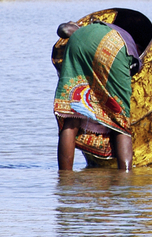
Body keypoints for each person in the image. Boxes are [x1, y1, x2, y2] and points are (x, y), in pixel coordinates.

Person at [53, 20, 141, 171]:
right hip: (113, 50)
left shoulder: (92, 26)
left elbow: (63, 30)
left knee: (72, 116)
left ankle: (64, 175)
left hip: (76, 45)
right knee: (120, 121)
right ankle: (125, 175)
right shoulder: (128, 43)